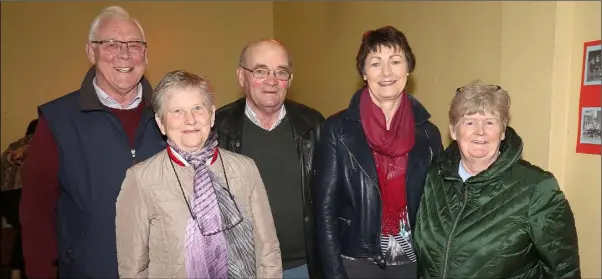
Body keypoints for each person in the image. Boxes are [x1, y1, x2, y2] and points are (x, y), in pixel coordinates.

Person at [19, 6, 165, 278]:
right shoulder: (58, 121)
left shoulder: (172, 115)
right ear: (91, 52)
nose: (124, 53)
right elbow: (36, 213)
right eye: (110, 44)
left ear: (145, 53)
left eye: (134, 44)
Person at [115, 70, 282, 278]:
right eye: (177, 111)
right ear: (160, 123)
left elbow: (268, 251)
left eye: (197, 108)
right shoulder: (141, 180)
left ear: (211, 115)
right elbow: (133, 268)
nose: (190, 120)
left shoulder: (245, 169)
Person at [312, 26, 443, 279]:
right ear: (363, 72)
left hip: (413, 261)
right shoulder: (337, 130)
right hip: (355, 261)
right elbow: (324, 210)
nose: (386, 72)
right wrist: (333, 273)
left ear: (408, 69)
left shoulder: (429, 134)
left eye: (395, 61)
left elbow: (439, 205)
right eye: (375, 63)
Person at [413, 81, 581, 278]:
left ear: (503, 132)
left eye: (490, 122)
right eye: (469, 122)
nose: (480, 131)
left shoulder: (537, 188)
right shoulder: (433, 178)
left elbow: (563, 271)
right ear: (453, 131)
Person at [214, 39, 324, 279]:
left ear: (290, 80)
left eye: (281, 72)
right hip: (244, 268)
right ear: (241, 76)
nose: (272, 81)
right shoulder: (216, 128)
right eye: (261, 71)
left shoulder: (313, 125)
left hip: (305, 267)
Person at [0, 119, 38, 279]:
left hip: (5, 197)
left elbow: (6, 158)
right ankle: (18, 270)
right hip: (21, 194)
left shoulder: (14, 144)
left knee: (25, 231)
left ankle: (16, 271)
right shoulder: (37, 142)